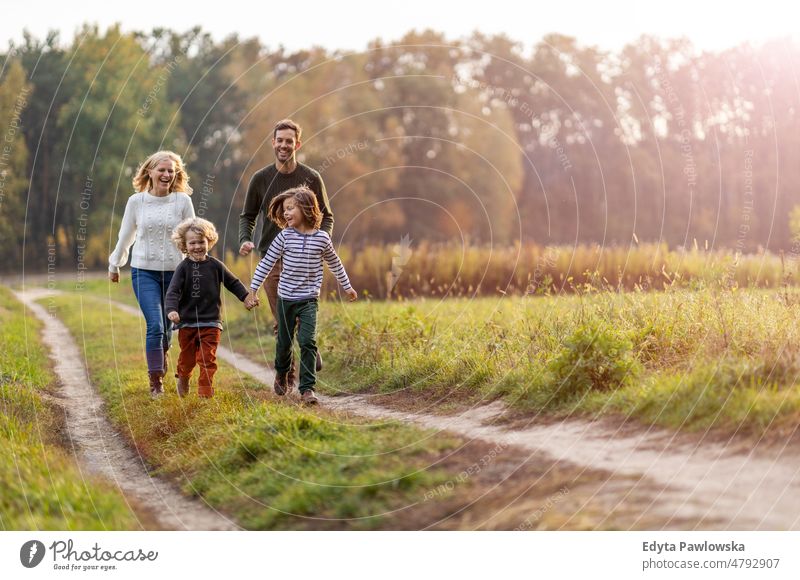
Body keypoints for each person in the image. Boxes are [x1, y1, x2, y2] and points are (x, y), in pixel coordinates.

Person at [238, 119, 333, 384]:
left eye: (288, 141)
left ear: (297, 144)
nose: (283, 145)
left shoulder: (311, 177)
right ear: (273, 142)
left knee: (304, 319)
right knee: (282, 320)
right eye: (279, 140)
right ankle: (285, 376)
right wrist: (246, 239)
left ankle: (308, 355)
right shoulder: (261, 179)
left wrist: (320, 242)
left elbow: (327, 216)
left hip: (305, 259)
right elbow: (247, 216)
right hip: (273, 259)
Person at [249, 186, 357, 405]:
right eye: (285, 209)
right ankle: (281, 372)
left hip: (309, 300)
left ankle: (307, 389)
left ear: (306, 209)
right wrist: (253, 289)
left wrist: (347, 287)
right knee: (284, 343)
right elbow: (267, 263)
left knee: (307, 341)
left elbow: (335, 264)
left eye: (291, 208)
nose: (286, 213)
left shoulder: (322, 239)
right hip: (286, 299)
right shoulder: (284, 237)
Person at [109, 151, 195, 397]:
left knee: (167, 328)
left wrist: (197, 267)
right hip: (144, 272)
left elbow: (193, 235)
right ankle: (156, 382)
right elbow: (126, 235)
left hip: (176, 275)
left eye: (171, 171)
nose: (167, 175)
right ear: (150, 172)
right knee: (155, 325)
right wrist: (115, 264)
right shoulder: (136, 202)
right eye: (162, 170)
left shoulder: (182, 201)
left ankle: (162, 351)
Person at [165, 218, 256, 398]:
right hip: (187, 323)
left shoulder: (215, 265)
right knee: (188, 359)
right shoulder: (183, 268)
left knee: (207, 358)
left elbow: (233, 283)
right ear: (184, 245)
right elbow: (173, 291)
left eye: (201, 242)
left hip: (211, 321)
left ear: (209, 241)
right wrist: (172, 310)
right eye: (192, 243)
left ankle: (205, 392)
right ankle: (183, 377)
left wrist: (246, 297)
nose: (197, 246)